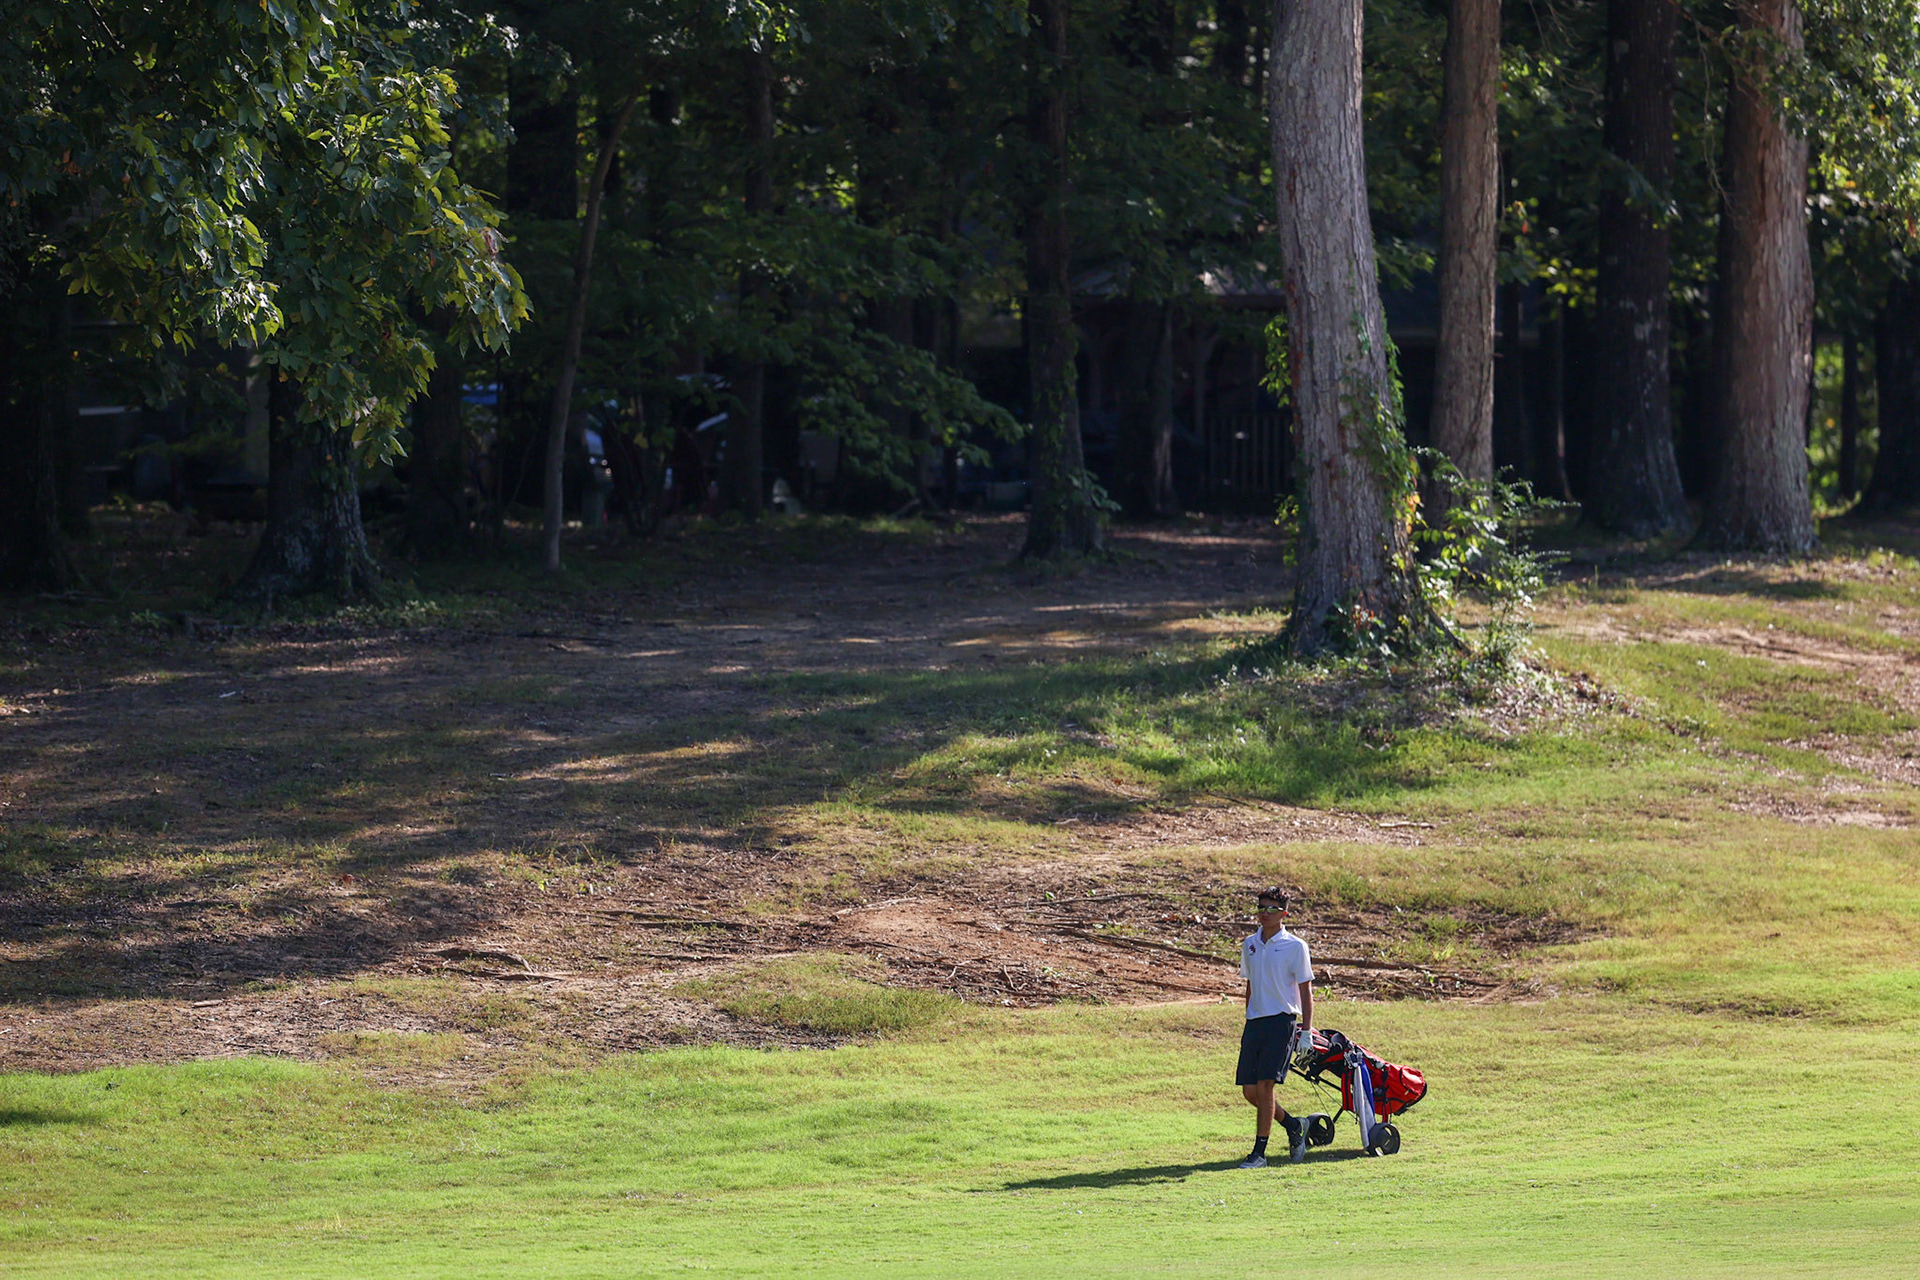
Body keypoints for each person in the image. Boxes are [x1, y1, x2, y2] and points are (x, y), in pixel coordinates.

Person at [1235, 887, 1314, 1168]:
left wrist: (1306, 1031)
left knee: (1265, 1086)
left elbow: (1306, 991)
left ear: (1284, 913)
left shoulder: (1295, 946)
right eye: (1261, 908)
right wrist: (1248, 1018)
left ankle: (1259, 1153)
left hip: (1282, 1022)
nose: (1264, 914)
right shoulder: (1250, 944)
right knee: (1250, 1092)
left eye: (1271, 909)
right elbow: (1250, 985)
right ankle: (1294, 1126)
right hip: (1255, 1023)